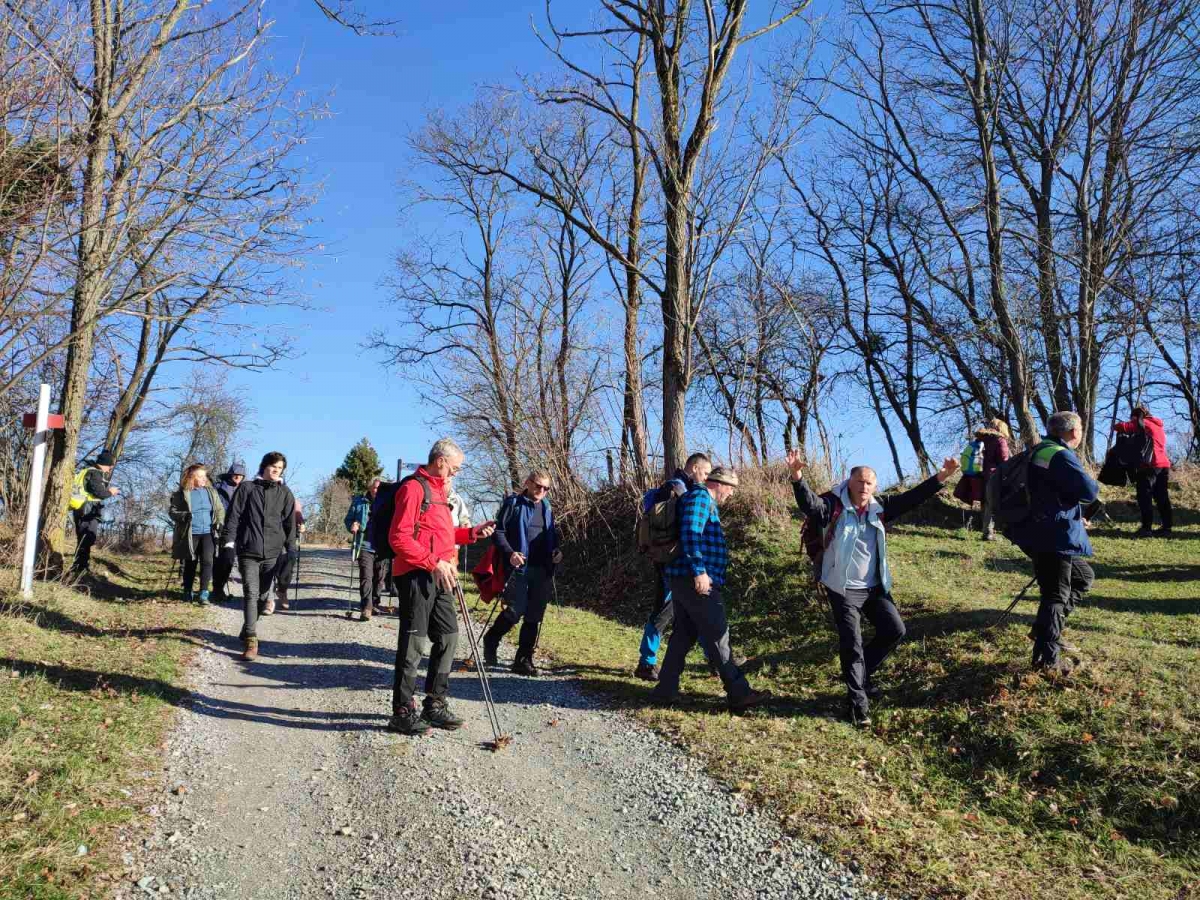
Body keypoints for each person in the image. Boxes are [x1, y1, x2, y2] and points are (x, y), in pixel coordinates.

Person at [788, 449, 961, 727]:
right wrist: (797, 476)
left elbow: (913, 498)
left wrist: (942, 476)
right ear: (849, 482)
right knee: (852, 644)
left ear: (875, 486)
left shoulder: (880, 508)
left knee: (894, 630)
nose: (864, 486)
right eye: (860, 481)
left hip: (874, 587)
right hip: (842, 588)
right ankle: (858, 706)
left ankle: (861, 676)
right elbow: (810, 504)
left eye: (869, 483)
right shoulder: (832, 506)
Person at [388, 439, 495, 736]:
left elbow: (442, 534)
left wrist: (471, 533)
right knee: (413, 644)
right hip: (416, 575)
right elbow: (398, 538)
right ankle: (402, 711)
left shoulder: (440, 492)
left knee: (448, 638)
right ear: (440, 462)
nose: (457, 473)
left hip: (441, 574)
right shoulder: (414, 488)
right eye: (456, 467)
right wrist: (433, 562)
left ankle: (434, 704)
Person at [649, 467, 770, 713]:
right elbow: (690, 535)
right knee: (717, 634)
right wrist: (699, 571)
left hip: (684, 578)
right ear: (720, 484)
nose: (732, 494)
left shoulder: (700, 499)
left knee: (683, 635)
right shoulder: (701, 498)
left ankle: (665, 690)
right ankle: (739, 693)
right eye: (731, 489)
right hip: (695, 579)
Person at [1009, 411, 1099, 675]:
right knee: (1055, 595)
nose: (1081, 433)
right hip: (1053, 535)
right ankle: (1047, 661)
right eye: (1080, 428)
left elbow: (1049, 492)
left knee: (1083, 577)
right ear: (1072, 432)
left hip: (1041, 530)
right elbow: (1089, 491)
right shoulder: (1059, 454)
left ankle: (1044, 629)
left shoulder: (1039, 451)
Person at [635, 452, 736, 681]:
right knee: (664, 611)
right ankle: (646, 661)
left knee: (689, 620)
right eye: (706, 472)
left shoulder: (688, 490)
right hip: (675, 564)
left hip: (681, 564)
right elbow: (688, 531)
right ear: (695, 468)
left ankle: (714, 661)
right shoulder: (679, 489)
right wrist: (697, 569)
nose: (708, 477)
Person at [483, 469, 564, 676]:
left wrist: (556, 551)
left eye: (546, 488)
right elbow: (498, 533)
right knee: (515, 610)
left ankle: (523, 659)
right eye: (538, 486)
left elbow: (551, 535)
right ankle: (492, 638)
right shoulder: (513, 504)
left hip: (543, 568)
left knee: (534, 614)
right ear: (528, 483)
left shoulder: (546, 507)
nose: (542, 491)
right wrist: (510, 553)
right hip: (518, 567)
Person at [222, 452, 297, 661]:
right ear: (264, 466)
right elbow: (233, 516)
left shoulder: (285, 493)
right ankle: (251, 640)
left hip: (273, 553)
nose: (276, 470)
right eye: (273, 466)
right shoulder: (247, 488)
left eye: (280, 468)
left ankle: (247, 627)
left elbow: (289, 524)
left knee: (264, 597)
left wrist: (291, 548)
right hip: (248, 549)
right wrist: (228, 541)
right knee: (250, 593)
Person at [169, 464, 226, 604]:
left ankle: (203, 593)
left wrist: (219, 522)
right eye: (200, 476)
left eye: (204, 476)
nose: (204, 479)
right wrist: (184, 516)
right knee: (190, 563)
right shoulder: (182, 494)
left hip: (208, 532)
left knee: (208, 561)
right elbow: (172, 512)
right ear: (191, 477)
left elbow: (220, 509)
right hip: (191, 533)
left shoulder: (211, 492)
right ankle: (187, 591)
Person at [1113, 406, 1173, 536]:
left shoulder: (1143, 423)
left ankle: (1146, 528)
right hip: (1163, 465)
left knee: (1144, 496)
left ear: (1136, 417)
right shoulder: (1158, 426)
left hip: (1149, 465)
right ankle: (1167, 528)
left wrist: (1131, 422)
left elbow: (1120, 427)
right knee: (1162, 497)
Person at [952, 418, 1011, 540]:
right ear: (1001, 428)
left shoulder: (981, 439)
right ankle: (988, 533)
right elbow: (1004, 459)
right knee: (992, 503)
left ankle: (986, 530)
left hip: (979, 475)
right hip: (993, 475)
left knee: (985, 503)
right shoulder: (1000, 440)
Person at [69, 449, 120, 577]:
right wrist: (111, 492)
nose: (110, 469)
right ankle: (80, 567)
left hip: (80, 508)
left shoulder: (85, 471)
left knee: (83, 539)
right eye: (110, 466)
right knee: (86, 539)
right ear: (105, 464)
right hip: (88, 511)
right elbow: (99, 493)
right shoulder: (95, 473)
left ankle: (80, 566)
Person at [345, 478, 389, 621]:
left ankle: (375, 602)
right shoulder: (359, 501)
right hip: (364, 545)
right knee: (366, 577)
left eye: (379, 488)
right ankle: (366, 607)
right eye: (374, 487)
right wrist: (352, 525)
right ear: (370, 488)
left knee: (380, 578)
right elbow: (348, 519)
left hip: (382, 546)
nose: (377, 490)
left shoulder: (388, 502)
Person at [211, 461, 246, 603]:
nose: (238, 476)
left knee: (231, 559)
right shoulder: (217, 488)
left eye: (241, 475)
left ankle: (219, 589)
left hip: (239, 530)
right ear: (230, 474)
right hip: (221, 528)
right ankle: (217, 590)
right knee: (222, 559)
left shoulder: (246, 489)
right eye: (235, 474)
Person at [271, 499, 305, 611]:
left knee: (289, 563)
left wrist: (302, 525)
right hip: (271, 536)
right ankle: (268, 597)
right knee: (270, 565)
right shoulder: (268, 497)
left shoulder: (294, 502)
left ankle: (282, 591)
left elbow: (299, 518)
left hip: (290, 537)